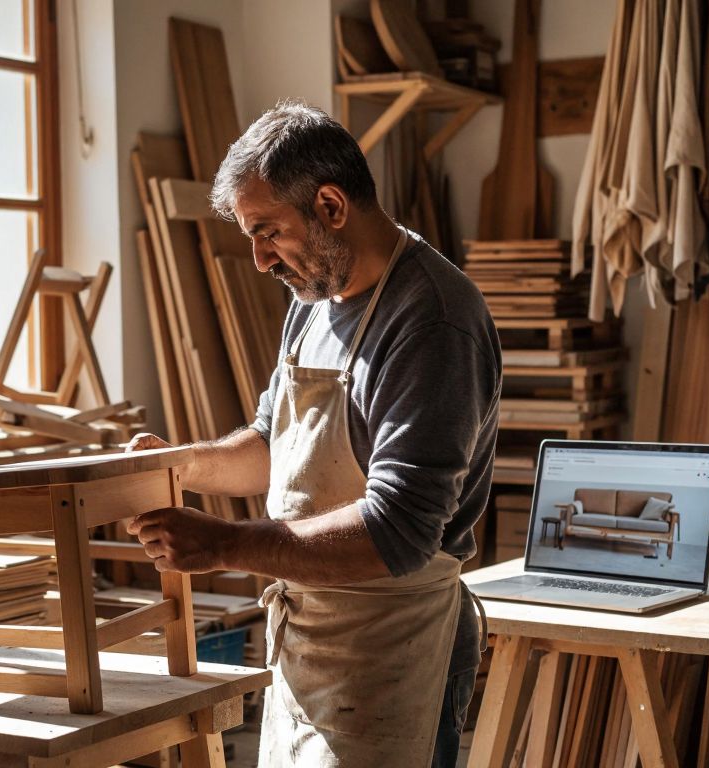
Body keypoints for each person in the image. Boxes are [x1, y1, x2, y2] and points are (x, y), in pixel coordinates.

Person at [124, 101, 501, 766]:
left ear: (330, 206)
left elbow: (399, 532)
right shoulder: (317, 300)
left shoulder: (433, 320)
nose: (260, 259)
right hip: (309, 637)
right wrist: (181, 466)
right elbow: (274, 447)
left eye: (267, 231)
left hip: (394, 643)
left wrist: (224, 544)